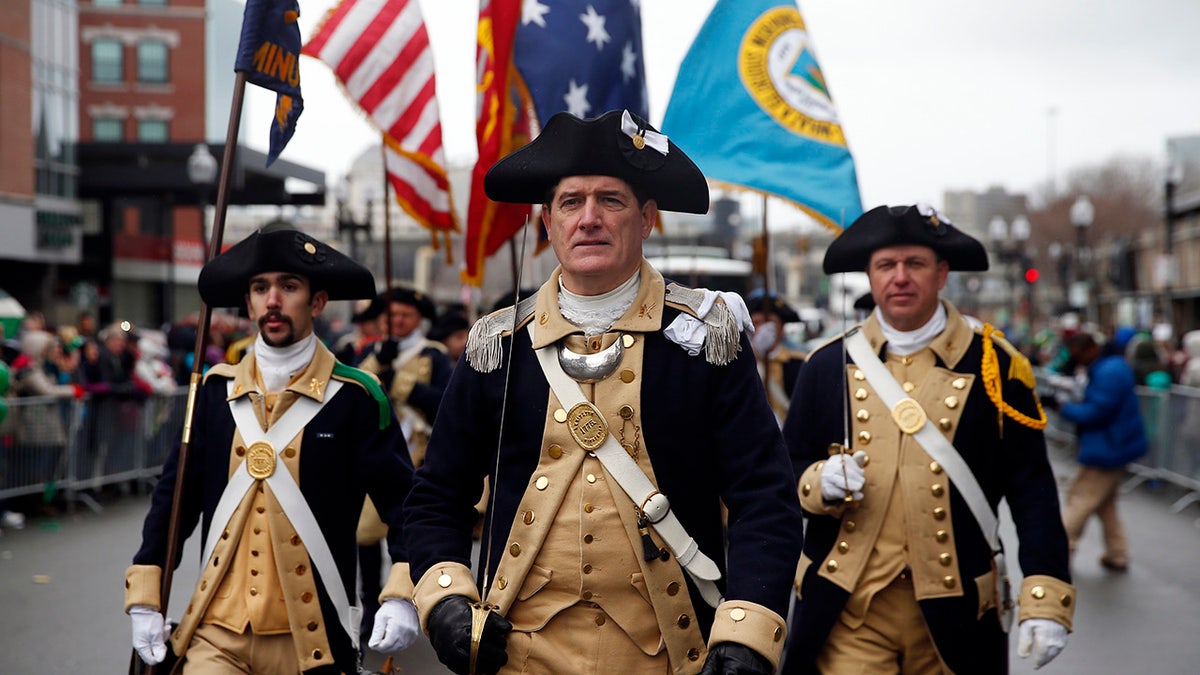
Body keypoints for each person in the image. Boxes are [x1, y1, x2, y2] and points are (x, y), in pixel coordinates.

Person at [404, 109, 803, 675]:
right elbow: (437, 496)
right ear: (547, 223)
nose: (588, 218)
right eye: (571, 202)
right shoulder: (497, 346)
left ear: (646, 219)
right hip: (517, 656)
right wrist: (445, 597)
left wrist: (746, 631)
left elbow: (765, 499)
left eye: (610, 201)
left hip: (669, 655)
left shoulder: (703, 339)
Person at [781, 204, 1075, 674]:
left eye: (914, 264)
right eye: (886, 266)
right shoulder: (825, 365)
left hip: (956, 612)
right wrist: (819, 481)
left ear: (942, 274)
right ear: (870, 277)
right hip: (849, 613)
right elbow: (785, 471)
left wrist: (1046, 594)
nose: (900, 278)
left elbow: (1032, 489)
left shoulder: (997, 366)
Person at [123, 225, 420, 674]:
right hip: (216, 633)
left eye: (289, 286)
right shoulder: (214, 392)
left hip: (311, 641)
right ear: (248, 303)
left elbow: (406, 507)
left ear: (317, 302)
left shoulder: (358, 398)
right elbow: (174, 499)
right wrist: (147, 589)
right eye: (260, 288)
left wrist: (404, 591)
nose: (273, 300)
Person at [1048, 331, 1148, 572]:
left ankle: (1057, 553)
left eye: (1079, 355)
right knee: (1105, 503)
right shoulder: (1109, 367)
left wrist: (1063, 408)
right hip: (1112, 445)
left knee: (1080, 499)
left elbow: (1096, 411)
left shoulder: (1109, 372)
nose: (1078, 360)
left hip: (1107, 448)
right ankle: (1117, 553)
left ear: (1091, 349)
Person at [746, 290, 807, 424]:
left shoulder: (799, 362)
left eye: (769, 323)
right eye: (756, 322)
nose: (762, 329)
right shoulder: (742, 363)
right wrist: (754, 353)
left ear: (782, 328)